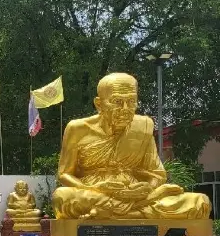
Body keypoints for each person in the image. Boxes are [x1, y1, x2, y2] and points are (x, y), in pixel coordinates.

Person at [52, 73, 210, 219]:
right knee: (63, 197)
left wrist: (147, 189)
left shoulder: (144, 125)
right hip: (94, 192)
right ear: (99, 104)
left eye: (131, 101)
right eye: (117, 102)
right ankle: (134, 212)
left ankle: (107, 214)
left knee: (200, 202)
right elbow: (64, 174)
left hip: (135, 193)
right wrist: (96, 188)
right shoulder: (77, 129)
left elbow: (157, 174)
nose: (126, 109)